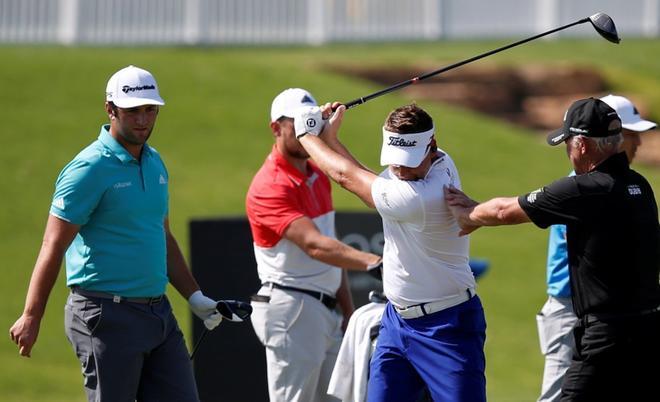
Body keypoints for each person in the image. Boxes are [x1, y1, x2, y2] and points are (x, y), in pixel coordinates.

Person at [9, 65, 223, 402]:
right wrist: (32, 315)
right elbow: (53, 243)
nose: (143, 119)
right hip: (105, 314)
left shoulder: (154, 163)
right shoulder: (88, 168)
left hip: (158, 314)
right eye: (133, 111)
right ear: (111, 110)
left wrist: (194, 297)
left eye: (150, 110)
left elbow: (161, 235)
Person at [445, 97, 660, 401]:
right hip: (648, 329)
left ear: (582, 145)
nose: (567, 151)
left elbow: (506, 211)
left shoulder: (585, 188)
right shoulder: (639, 184)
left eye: (567, 143)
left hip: (607, 333)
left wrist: (466, 214)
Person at [294, 102, 486, 402]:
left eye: (408, 160)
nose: (399, 168)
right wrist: (330, 139)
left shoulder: (421, 198)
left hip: (447, 328)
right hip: (397, 323)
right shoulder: (439, 161)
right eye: (394, 159)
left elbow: (347, 177)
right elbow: (368, 179)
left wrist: (306, 134)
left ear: (431, 146)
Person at [246, 88, 383, 402]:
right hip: (292, 309)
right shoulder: (269, 185)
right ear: (275, 128)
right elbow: (315, 245)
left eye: (309, 121)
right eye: (296, 122)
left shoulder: (318, 176)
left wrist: (348, 311)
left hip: (328, 311)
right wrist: (374, 261)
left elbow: (330, 248)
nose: (303, 129)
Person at [535, 94, 657, 402]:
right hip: (572, 309)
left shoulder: (625, 185)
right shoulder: (586, 187)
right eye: (629, 135)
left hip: (614, 319)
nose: (634, 144)